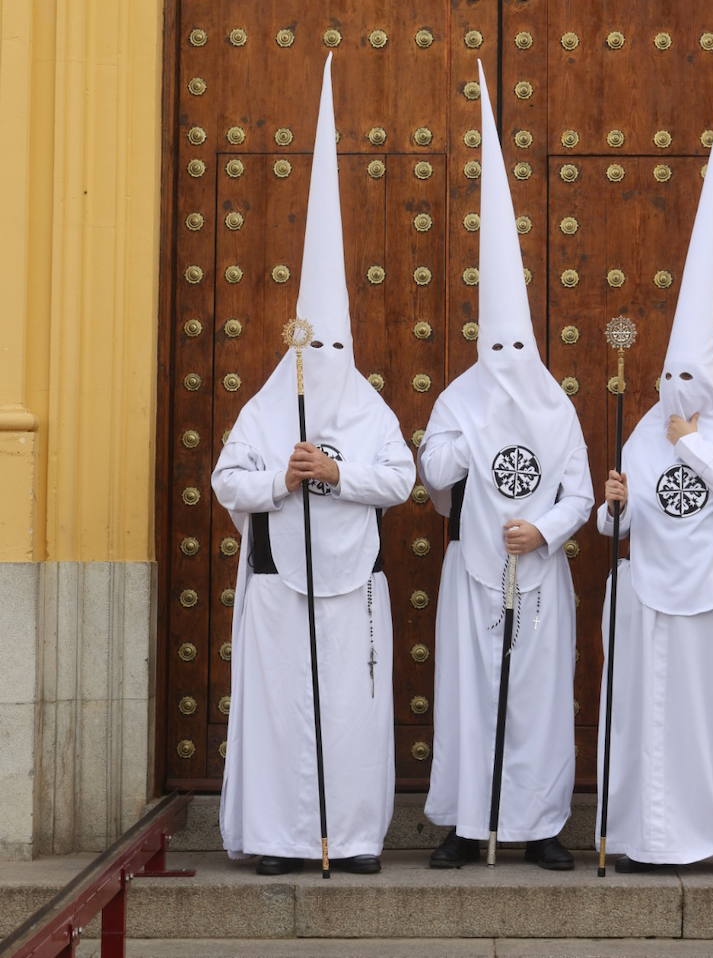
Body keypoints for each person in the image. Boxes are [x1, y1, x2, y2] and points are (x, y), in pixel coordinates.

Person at [212, 54, 414, 876]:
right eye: (315, 344)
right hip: (275, 583)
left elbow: (400, 479)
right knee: (282, 709)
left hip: (351, 584)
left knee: (353, 710)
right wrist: (279, 480)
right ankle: (279, 837)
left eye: (337, 345)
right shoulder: (266, 407)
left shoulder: (367, 410)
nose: (326, 357)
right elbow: (228, 481)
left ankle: (354, 837)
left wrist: (335, 476)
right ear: (297, 342)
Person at [420, 60, 594, 871]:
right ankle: (464, 823)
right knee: (469, 695)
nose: (505, 359)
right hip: (472, 571)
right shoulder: (458, 398)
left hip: (538, 571)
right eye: (494, 347)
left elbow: (582, 492)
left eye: (515, 347)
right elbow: (433, 479)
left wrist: (547, 529)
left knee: (536, 699)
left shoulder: (557, 406)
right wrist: (472, 432)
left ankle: (537, 827)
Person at [596, 101, 713, 879]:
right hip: (653, 594)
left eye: (687, 378)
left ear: (712, 381)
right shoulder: (642, 430)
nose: (674, 389)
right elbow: (620, 523)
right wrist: (612, 503)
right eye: (666, 379)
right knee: (654, 719)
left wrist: (693, 444)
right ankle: (650, 836)